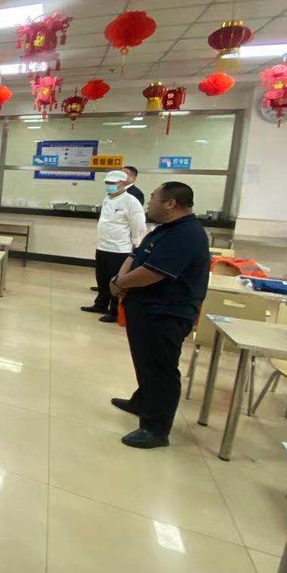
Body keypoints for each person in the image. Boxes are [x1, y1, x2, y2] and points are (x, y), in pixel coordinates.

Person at [110, 182, 209, 449]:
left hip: (166, 312)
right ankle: (142, 401)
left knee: (161, 368)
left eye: (153, 197)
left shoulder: (186, 234)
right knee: (146, 361)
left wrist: (120, 283)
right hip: (146, 308)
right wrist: (120, 280)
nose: (148, 202)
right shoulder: (165, 229)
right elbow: (136, 255)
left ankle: (155, 429)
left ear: (170, 203)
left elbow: (153, 273)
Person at [82, 170, 147, 323]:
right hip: (103, 246)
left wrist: (136, 244)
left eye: (112, 183)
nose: (109, 185)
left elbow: (138, 226)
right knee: (102, 278)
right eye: (107, 183)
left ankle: (114, 311)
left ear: (123, 183)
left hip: (120, 249)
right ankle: (100, 304)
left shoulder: (131, 201)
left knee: (116, 281)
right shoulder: (107, 199)